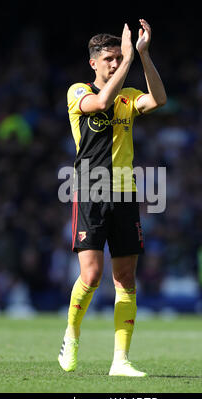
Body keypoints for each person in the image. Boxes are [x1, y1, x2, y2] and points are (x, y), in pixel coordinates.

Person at [58, 19, 167, 377]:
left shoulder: (128, 96)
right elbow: (101, 102)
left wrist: (142, 54)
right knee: (91, 276)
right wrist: (128, 64)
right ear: (93, 62)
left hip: (124, 191)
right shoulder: (78, 91)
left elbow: (159, 99)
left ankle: (120, 361)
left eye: (118, 57)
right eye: (109, 58)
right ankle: (71, 337)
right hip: (90, 188)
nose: (115, 63)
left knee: (126, 280)